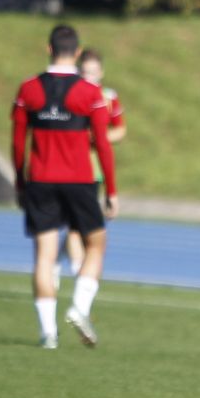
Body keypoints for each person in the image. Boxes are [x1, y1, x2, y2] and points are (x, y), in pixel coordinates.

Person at [11, 24, 119, 350]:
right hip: (80, 181)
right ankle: (79, 308)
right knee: (96, 246)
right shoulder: (90, 93)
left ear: (48, 49)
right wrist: (111, 190)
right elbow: (102, 144)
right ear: (77, 51)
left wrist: (20, 181)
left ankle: (48, 334)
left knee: (44, 257)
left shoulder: (27, 90)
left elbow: (18, 142)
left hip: (40, 181)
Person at [64, 48, 125, 275]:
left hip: (95, 168)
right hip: (72, 165)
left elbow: (120, 130)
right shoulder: (70, 94)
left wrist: (100, 137)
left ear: (101, 73)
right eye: (85, 72)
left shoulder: (108, 97)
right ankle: (79, 271)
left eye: (93, 73)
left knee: (89, 225)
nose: (89, 77)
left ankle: (70, 260)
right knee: (74, 224)